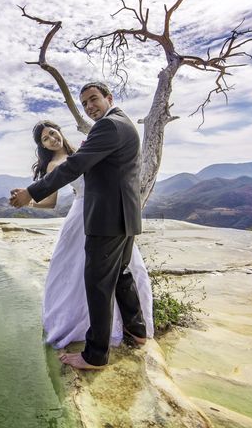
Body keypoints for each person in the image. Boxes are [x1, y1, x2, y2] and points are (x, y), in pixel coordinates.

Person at [10, 81, 148, 370]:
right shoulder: (121, 122)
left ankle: (95, 355)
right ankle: (137, 330)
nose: (89, 106)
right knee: (122, 274)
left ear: (109, 97)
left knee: (98, 284)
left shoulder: (109, 126)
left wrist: (29, 193)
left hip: (106, 218)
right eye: (84, 103)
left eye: (93, 99)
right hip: (124, 215)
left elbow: (74, 167)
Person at [28, 120, 153, 351]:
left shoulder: (83, 149)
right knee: (76, 272)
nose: (52, 139)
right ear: (43, 146)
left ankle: (132, 325)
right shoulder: (54, 165)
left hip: (106, 212)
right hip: (80, 215)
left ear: (59, 132)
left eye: (53, 133)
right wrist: (30, 202)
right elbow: (50, 202)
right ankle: (81, 325)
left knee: (123, 269)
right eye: (45, 139)